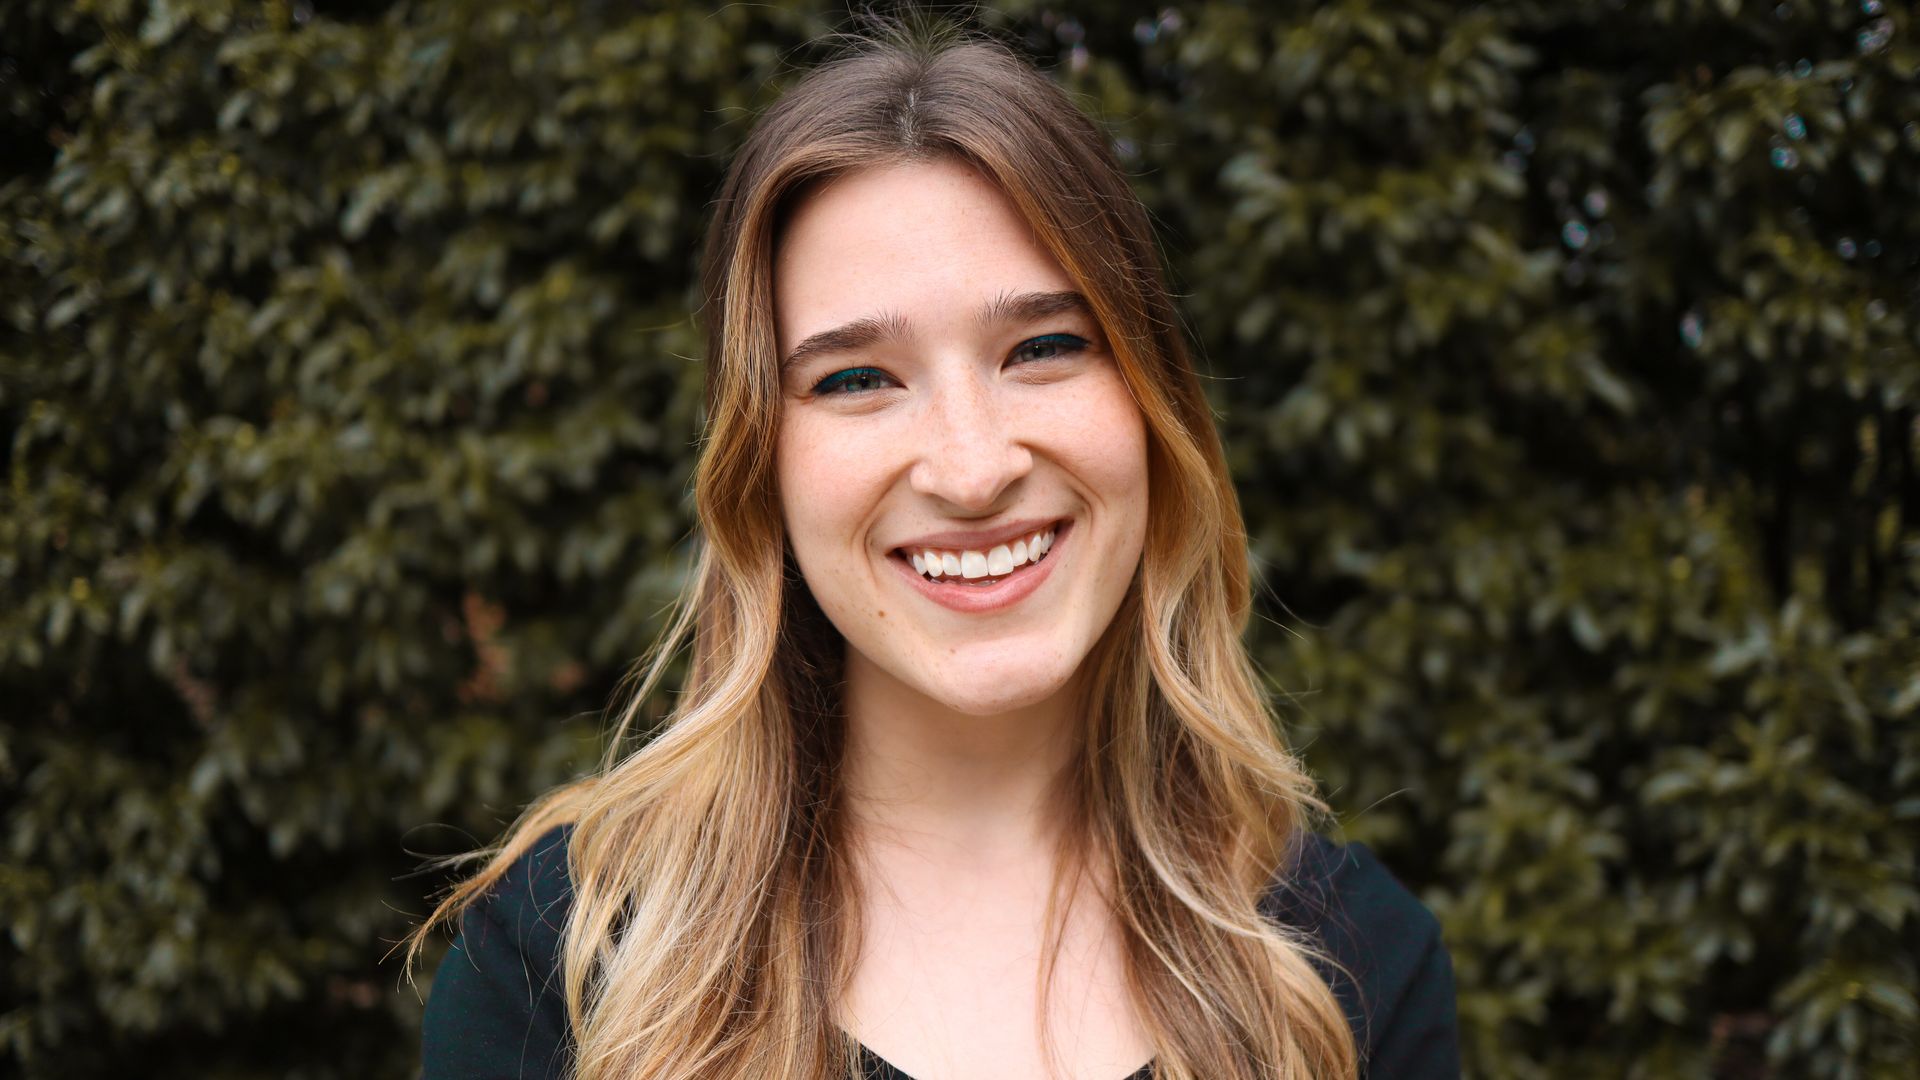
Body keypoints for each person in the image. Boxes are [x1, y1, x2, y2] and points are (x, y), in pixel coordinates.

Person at [407, 15, 1459, 1080]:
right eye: (857, 379)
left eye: (1044, 347)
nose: (971, 468)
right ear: (758, 465)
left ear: (1154, 404)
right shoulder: (566, 971)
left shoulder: (1353, 972)